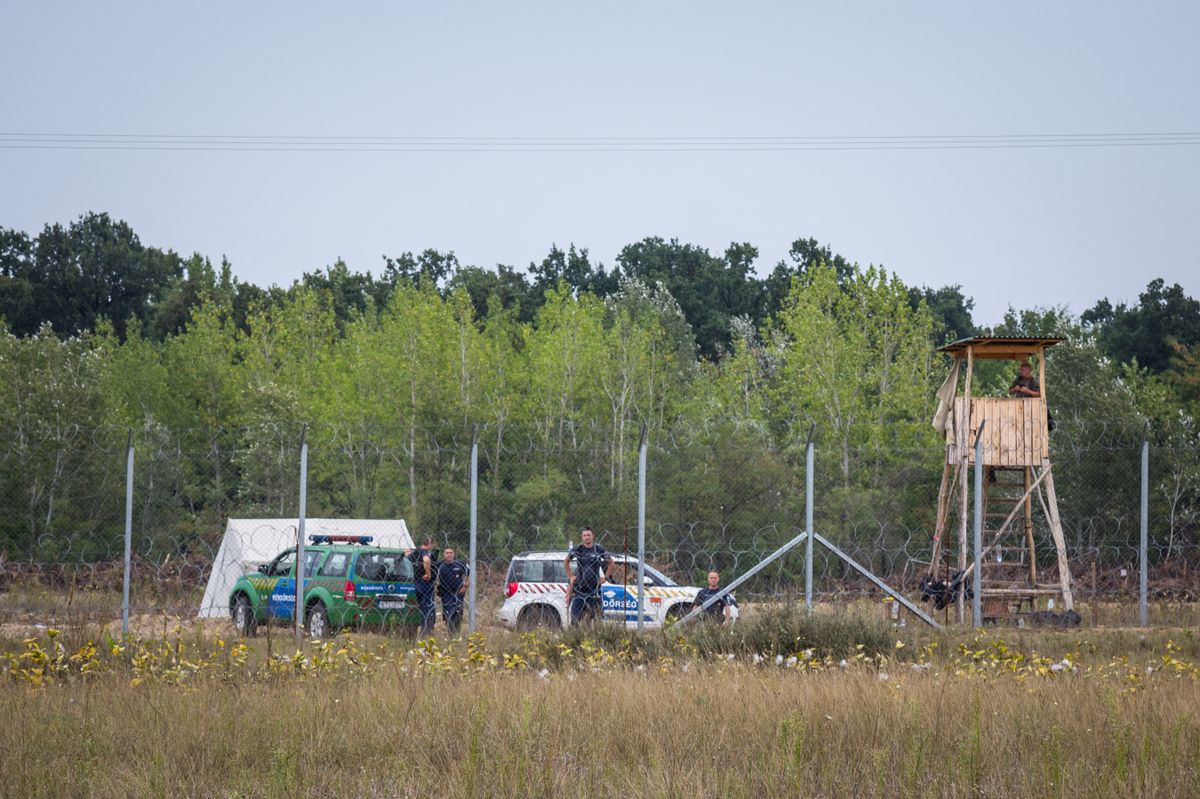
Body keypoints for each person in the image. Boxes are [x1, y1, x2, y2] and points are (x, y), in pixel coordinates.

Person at [563, 527, 613, 625]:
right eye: (584, 535)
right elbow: (566, 562)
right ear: (582, 537)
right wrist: (571, 576)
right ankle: (575, 638)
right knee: (575, 621)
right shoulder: (578, 549)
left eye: (588, 535)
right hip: (579, 590)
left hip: (595, 590)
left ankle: (594, 637)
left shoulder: (599, 549)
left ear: (592, 536)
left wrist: (605, 578)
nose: (587, 537)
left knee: (597, 620)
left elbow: (611, 563)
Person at [436, 546, 469, 634]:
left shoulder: (460, 564)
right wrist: (436, 587)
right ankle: (451, 633)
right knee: (448, 615)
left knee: (458, 614)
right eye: (447, 553)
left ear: (454, 554)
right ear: (444, 554)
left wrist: (465, 586)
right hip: (446, 594)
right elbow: (433, 576)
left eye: (451, 553)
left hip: (458, 593)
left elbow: (469, 574)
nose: (449, 554)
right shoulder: (439, 565)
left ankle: (456, 633)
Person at [411, 535, 437, 635]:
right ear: (430, 544)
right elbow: (426, 560)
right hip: (425, 584)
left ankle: (416, 629)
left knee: (417, 607)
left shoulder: (415, 552)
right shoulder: (425, 552)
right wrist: (428, 574)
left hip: (415, 583)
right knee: (427, 608)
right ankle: (426, 631)